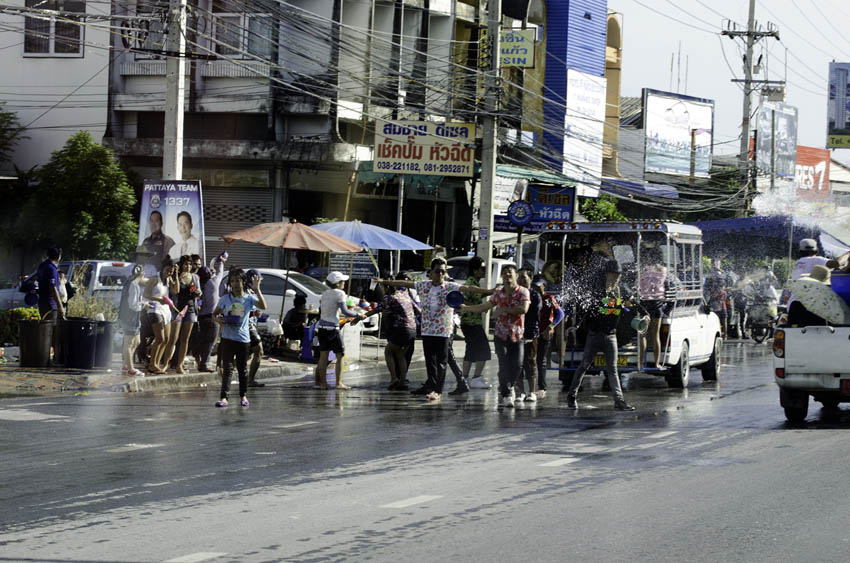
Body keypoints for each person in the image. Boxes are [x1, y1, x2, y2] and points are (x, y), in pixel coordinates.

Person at [375, 258, 487, 401]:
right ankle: (433, 386)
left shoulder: (449, 286)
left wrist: (490, 291)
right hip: (427, 330)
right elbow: (403, 283)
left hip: (443, 330)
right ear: (431, 273)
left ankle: (437, 390)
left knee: (441, 361)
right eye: (437, 271)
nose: (441, 274)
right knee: (430, 361)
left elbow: (470, 289)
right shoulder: (423, 285)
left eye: (443, 271)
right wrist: (384, 282)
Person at [564, 259, 636, 411]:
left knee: (613, 369)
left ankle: (619, 401)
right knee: (584, 365)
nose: (616, 278)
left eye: (618, 275)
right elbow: (598, 309)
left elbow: (632, 304)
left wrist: (639, 310)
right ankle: (572, 395)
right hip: (595, 334)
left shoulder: (621, 290)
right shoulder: (597, 289)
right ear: (606, 274)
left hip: (611, 335)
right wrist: (618, 305)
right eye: (613, 275)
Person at [460, 265, 529, 408]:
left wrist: (504, 309)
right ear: (501, 277)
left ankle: (509, 385)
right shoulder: (498, 293)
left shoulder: (523, 292)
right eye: (504, 273)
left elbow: (523, 309)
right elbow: (484, 307)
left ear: (515, 275)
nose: (507, 275)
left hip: (517, 334)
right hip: (500, 335)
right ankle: (507, 394)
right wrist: (466, 308)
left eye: (510, 272)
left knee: (517, 366)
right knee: (503, 364)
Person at [213, 268, 266, 407]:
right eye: (232, 281)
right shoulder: (225, 298)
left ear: (243, 282)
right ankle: (224, 397)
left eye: (238, 281)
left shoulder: (249, 298)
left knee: (242, 369)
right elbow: (214, 314)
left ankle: (243, 396)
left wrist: (257, 289)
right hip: (227, 338)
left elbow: (263, 306)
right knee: (228, 368)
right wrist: (220, 321)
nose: (235, 284)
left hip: (243, 339)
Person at [354, 279, 418, 390]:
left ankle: (394, 379)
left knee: (388, 352)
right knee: (400, 355)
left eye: (383, 288)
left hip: (401, 330)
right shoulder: (405, 295)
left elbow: (376, 310)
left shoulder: (390, 298)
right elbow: (417, 309)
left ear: (387, 288)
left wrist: (362, 317)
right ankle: (402, 382)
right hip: (412, 330)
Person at [315, 271, 365, 390]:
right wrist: (359, 315)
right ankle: (338, 383)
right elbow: (345, 311)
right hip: (332, 329)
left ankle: (323, 384)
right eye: (342, 281)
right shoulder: (340, 293)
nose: (344, 283)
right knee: (340, 355)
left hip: (321, 328)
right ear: (337, 283)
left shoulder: (324, 294)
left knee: (323, 356)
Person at [459, 257, 494, 390]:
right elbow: (464, 301)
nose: (484, 271)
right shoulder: (470, 283)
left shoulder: (475, 283)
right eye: (482, 268)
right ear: (475, 270)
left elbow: (476, 297)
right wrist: (477, 307)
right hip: (471, 322)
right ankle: (476, 378)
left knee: (471, 351)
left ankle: (465, 378)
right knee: (484, 350)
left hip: (471, 322)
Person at [144, 257, 179, 374]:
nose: (169, 273)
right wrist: (158, 299)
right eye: (168, 270)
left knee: (167, 339)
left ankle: (156, 363)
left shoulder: (169, 279)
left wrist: (176, 275)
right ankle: (152, 364)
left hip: (166, 310)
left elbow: (176, 291)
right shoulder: (155, 278)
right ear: (163, 269)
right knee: (160, 338)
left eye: (171, 271)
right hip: (154, 309)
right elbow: (145, 294)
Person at [638, 247, 669, 369]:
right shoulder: (663, 270)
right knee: (655, 335)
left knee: (642, 334)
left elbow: (637, 284)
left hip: (644, 304)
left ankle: (640, 363)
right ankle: (657, 363)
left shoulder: (643, 270)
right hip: (657, 304)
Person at [196, 253, 227, 372]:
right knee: (210, 342)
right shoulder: (213, 283)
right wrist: (221, 260)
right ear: (209, 274)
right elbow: (220, 271)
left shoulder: (198, 285)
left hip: (201, 317)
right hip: (212, 317)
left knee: (204, 341)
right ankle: (204, 364)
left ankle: (201, 362)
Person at [532, 274, 562, 398]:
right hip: (532, 332)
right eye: (534, 286)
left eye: (539, 286)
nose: (536, 289)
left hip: (545, 333)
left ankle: (542, 387)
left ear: (544, 286)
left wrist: (550, 327)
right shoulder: (531, 297)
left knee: (541, 360)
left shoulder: (549, 298)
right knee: (529, 360)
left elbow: (560, 314)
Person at [171, 255, 201, 374]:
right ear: (181, 265)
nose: (188, 266)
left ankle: (180, 365)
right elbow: (173, 293)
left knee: (185, 339)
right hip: (177, 309)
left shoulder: (194, 277)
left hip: (191, 309)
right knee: (173, 338)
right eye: (186, 264)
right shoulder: (177, 276)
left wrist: (198, 292)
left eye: (190, 264)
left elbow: (199, 292)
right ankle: (166, 363)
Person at [516, 268, 541, 402]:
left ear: (530, 279)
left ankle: (532, 392)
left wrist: (529, 335)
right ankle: (520, 392)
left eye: (523, 278)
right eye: (518, 278)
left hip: (530, 333)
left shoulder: (535, 295)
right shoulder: (515, 294)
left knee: (530, 362)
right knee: (517, 364)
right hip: (516, 333)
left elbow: (535, 317)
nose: (520, 280)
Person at [36, 246, 65, 364]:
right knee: (52, 332)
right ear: (58, 257)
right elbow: (53, 288)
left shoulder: (42, 266)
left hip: (42, 302)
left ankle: (44, 356)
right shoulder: (51, 268)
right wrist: (60, 306)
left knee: (45, 330)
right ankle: (48, 359)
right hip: (50, 304)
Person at [119, 265, 147, 376]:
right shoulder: (133, 285)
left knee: (137, 341)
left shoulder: (131, 283)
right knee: (129, 344)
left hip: (133, 318)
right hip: (129, 318)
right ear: (142, 274)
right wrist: (144, 305)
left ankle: (126, 366)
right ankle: (130, 369)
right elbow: (133, 305)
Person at [245, 269, 266, 388]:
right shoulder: (246, 292)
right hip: (247, 326)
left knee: (248, 354)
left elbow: (261, 306)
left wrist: (256, 313)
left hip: (251, 325)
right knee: (259, 350)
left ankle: (227, 368)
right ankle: (250, 379)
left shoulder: (252, 292)